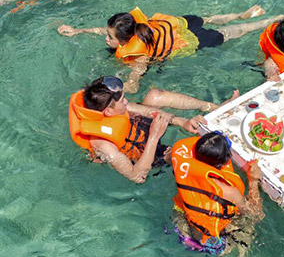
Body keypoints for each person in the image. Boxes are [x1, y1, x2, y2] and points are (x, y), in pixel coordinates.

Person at [58, 5, 284, 92]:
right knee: (209, 18)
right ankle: (239, 14)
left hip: (192, 40)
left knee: (229, 33)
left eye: (110, 37)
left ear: (125, 42)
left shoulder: (140, 56)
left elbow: (134, 86)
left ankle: (264, 23)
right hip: (180, 24)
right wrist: (78, 31)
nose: (106, 39)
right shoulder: (136, 28)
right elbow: (103, 30)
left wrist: (109, 89)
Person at [69, 76, 237, 183]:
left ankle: (216, 108)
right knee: (181, 152)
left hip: (141, 131)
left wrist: (182, 121)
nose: (126, 102)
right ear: (108, 112)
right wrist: (154, 137)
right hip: (145, 155)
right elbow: (137, 176)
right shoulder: (105, 146)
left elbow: (147, 112)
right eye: (123, 100)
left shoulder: (115, 109)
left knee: (154, 96)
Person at [171, 132, 264, 257]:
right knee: (247, 224)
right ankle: (240, 255)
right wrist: (253, 180)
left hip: (182, 223)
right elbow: (256, 214)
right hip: (210, 243)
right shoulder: (229, 192)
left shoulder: (180, 162)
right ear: (224, 162)